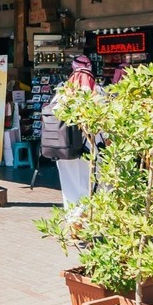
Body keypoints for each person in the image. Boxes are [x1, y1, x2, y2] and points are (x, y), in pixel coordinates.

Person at [54, 55, 98, 204]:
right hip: (86, 147)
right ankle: (84, 214)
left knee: (69, 184)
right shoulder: (96, 94)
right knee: (87, 180)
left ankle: (73, 215)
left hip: (63, 147)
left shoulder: (61, 93)